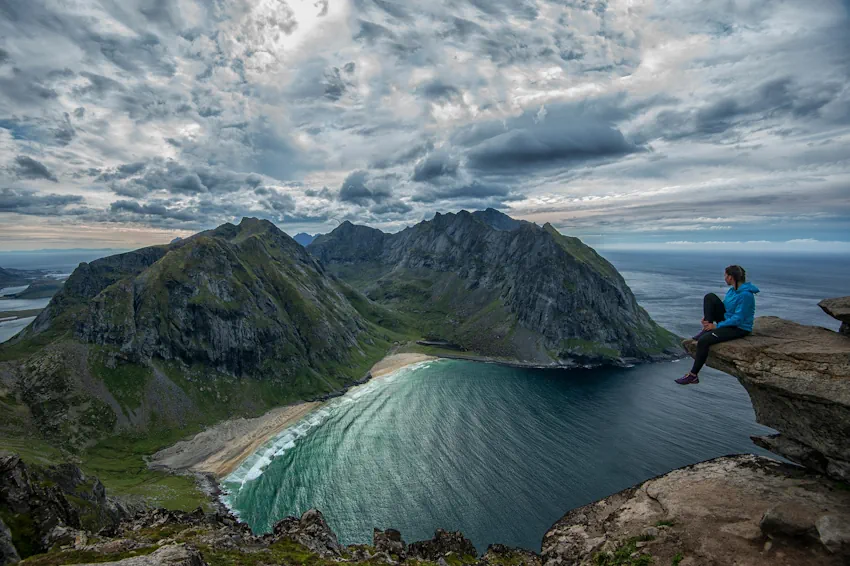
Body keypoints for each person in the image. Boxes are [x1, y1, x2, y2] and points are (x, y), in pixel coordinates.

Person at [675, 265, 759, 385]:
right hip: (728, 320)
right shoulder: (733, 290)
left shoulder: (746, 295)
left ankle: (693, 375)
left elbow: (739, 318)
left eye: (725, 275)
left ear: (731, 277)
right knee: (710, 297)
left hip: (738, 328)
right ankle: (706, 327)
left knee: (704, 341)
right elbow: (724, 306)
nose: (724, 278)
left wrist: (717, 327)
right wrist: (709, 318)